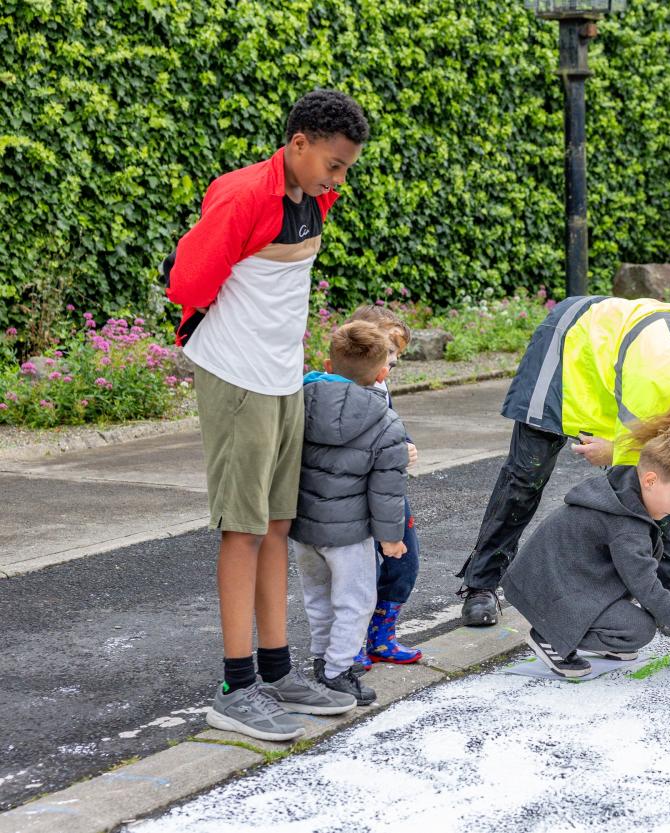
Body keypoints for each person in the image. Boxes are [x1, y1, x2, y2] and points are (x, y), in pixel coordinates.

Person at [164, 89, 370, 741]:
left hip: (282, 378)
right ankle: (236, 684)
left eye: (346, 170)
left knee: (278, 524)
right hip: (236, 374)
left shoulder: (316, 198)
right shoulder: (243, 195)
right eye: (333, 165)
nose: (338, 180)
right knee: (242, 529)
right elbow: (187, 285)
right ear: (298, 143)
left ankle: (278, 671)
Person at [457, 295, 670, 626]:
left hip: (620, 369)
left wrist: (618, 449)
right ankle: (480, 584)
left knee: (661, 486)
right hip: (568, 347)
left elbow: (666, 478)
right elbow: (645, 481)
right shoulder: (658, 376)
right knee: (526, 478)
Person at [502, 435, 670, 679]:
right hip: (546, 586)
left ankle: (572, 629)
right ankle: (549, 634)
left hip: (556, 577)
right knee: (639, 630)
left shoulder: (626, 491)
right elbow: (648, 590)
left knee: (636, 613)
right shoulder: (626, 526)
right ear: (650, 480)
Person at [289, 321, 410, 706]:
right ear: (382, 373)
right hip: (350, 532)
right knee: (356, 600)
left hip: (304, 526)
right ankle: (340, 671)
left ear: (327, 362)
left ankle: (321, 659)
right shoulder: (386, 422)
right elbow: (387, 489)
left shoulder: (298, 401)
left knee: (318, 596)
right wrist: (391, 537)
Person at [343, 305, 423, 671]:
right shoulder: (344, 392)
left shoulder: (380, 384)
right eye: (388, 352)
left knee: (405, 560)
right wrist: (394, 448)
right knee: (356, 572)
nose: (390, 363)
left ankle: (381, 636)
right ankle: (352, 641)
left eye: (395, 356)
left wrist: (403, 443)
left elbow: (389, 425)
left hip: (389, 491)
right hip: (356, 495)